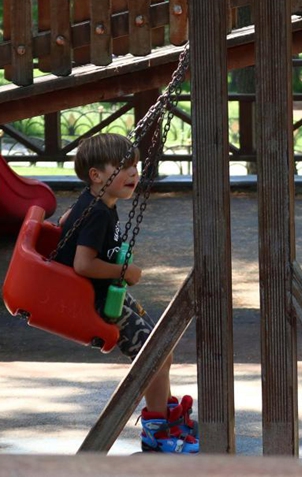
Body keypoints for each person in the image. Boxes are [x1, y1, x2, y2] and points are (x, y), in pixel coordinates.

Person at [55, 133, 199, 454]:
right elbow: (82, 263)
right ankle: (157, 432)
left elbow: (65, 221)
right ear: (97, 176)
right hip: (97, 302)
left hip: (107, 295)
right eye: (124, 167)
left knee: (162, 348)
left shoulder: (97, 202)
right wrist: (126, 272)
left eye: (135, 165)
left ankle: (163, 416)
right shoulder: (96, 213)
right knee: (154, 356)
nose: (134, 173)